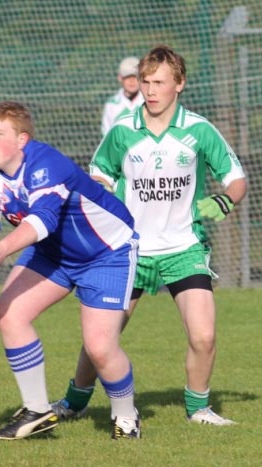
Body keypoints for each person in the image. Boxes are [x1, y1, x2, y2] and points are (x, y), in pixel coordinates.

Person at [52, 45, 247, 426]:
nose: (151, 89)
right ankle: (74, 402)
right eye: (145, 81)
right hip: (128, 250)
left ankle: (199, 410)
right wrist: (99, 196)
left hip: (184, 247)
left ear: (181, 83)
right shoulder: (123, 130)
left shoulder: (199, 130)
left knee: (204, 336)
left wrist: (224, 201)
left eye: (159, 82)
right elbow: (99, 175)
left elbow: (236, 180)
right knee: (101, 339)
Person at [0, 101, 141, 440]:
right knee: (9, 314)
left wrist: (1, 250)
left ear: (22, 139)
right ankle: (38, 412)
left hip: (106, 252)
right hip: (53, 253)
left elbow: (42, 220)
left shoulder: (46, 163)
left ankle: (126, 418)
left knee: (99, 347)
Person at [101, 56, 144, 137]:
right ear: (120, 78)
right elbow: (107, 134)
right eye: (127, 77)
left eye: (135, 77)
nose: (132, 81)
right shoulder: (112, 105)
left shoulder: (149, 101)